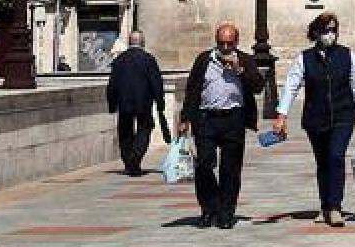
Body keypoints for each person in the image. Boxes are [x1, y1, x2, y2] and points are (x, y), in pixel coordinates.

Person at [273, 13, 355, 228]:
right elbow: (291, 86)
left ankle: (335, 207)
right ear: (316, 32)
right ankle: (325, 205)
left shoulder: (347, 55)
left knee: (336, 157)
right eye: (326, 30)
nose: (331, 34)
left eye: (334, 30)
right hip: (315, 116)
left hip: (343, 115)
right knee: (322, 162)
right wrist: (282, 115)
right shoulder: (305, 58)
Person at [178, 22, 265, 229]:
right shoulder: (204, 60)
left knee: (231, 169)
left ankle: (226, 213)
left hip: (233, 119)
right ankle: (209, 208)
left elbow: (258, 86)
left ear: (236, 42)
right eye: (221, 43)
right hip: (206, 118)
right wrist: (185, 119)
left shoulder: (244, 59)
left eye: (229, 43)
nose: (225, 48)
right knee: (204, 164)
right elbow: (192, 90)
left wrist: (240, 70)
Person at [105, 31, 165, 176]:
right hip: (143, 102)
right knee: (145, 128)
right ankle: (135, 157)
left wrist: (112, 104)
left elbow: (112, 84)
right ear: (142, 43)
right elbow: (156, 82)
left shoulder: (119, 60)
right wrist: (160, 102)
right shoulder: (148, 59)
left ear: (129, 43)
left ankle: (129, 161)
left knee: (125, 132)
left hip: (124, 102)